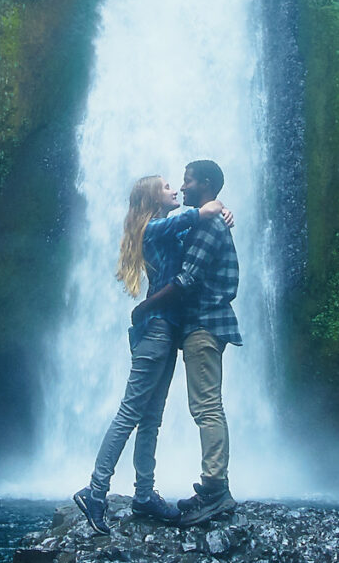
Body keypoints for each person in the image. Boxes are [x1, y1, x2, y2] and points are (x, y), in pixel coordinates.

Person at [73, 174, 230, 534]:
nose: (175, 189)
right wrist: (210, 207)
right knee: (131, 411)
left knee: (152, 417)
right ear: (152, 201)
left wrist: (220, 211)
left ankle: (144, 494)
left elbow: (194, 231)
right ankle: (95, 491)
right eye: (165, 187)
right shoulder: (153, 229)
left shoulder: (169, 229)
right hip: (156, 330)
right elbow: (189, 220)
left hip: (168, 330)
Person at [128, 159, 240, 526]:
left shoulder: (208, 225)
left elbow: (188, 279)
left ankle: (215, 490)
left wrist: (147, 304)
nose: (182, 186)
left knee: (206, 406)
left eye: (188, 181)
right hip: (198, 325)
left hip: (205, 324)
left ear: (205, 184)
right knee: (204, 406)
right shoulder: (201, 220)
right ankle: (211, 486)